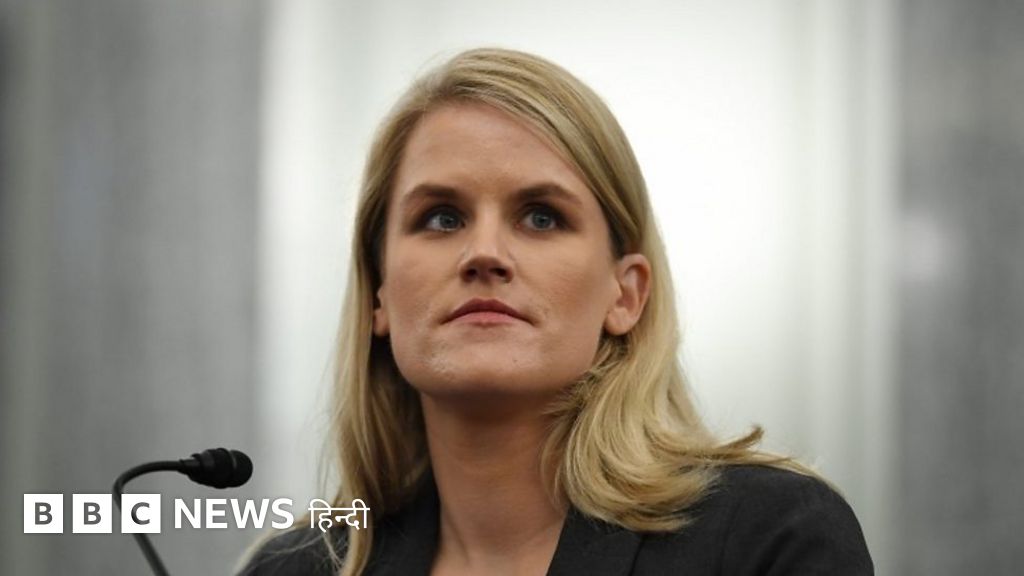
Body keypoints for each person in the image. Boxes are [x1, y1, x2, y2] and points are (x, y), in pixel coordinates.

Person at [239, 47, 873, 576]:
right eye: (442, 218)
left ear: (625, 295)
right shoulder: (293, 569)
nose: (484, 253)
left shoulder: (768, 538)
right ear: (379, 293)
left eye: (541, 217)